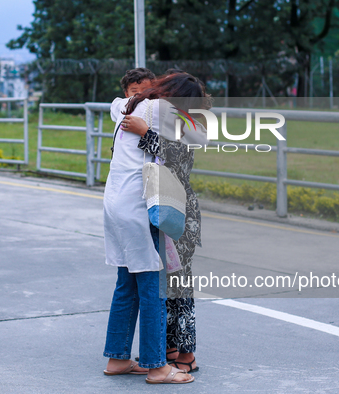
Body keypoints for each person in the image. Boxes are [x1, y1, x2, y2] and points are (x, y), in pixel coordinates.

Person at [102, 72, 207, 384]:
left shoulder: (125, 104)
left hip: (114, 204)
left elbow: (116, 106)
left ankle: (118, 359)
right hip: (140, 207)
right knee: (153, 289)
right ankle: (157, 366)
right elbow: (202, 137)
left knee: (126, 285)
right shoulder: (162, 111)